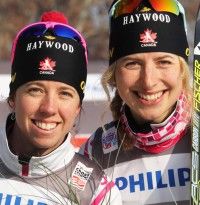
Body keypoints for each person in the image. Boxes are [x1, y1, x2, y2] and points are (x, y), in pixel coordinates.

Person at [0, 10, 122, 205]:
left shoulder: (96, 191)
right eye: (35, 90)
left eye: (65, 93)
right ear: (13, 98)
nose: (49, 108)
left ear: (77, 107)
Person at [81, 0, 192, 204]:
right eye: (132, 63)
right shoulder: (95, 151)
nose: (148, 81)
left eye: (164, 62)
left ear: (182, 71)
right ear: (114, 76)